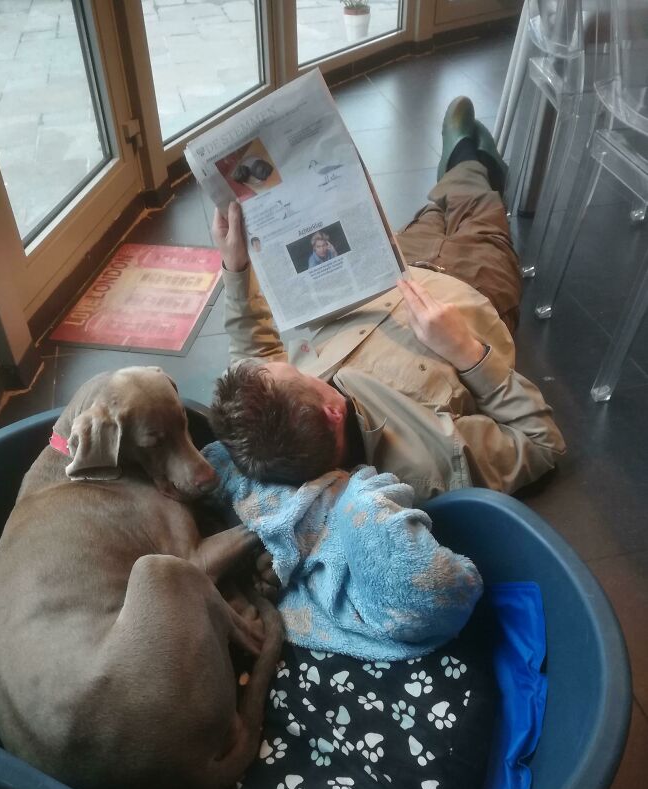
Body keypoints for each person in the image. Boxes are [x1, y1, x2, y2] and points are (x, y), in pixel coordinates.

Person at [209, 97, 566, 500]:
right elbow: (542, 443)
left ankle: (462, 167)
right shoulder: (432, 463)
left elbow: (250, 355)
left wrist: (236, 266)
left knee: (433, 211)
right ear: (332, 411)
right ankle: (469, 157)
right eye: (301, 374)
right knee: (479, 203)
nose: (289, 363)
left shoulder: (281, 419)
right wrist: (465, 350)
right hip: (476, 282)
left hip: (393, 265)